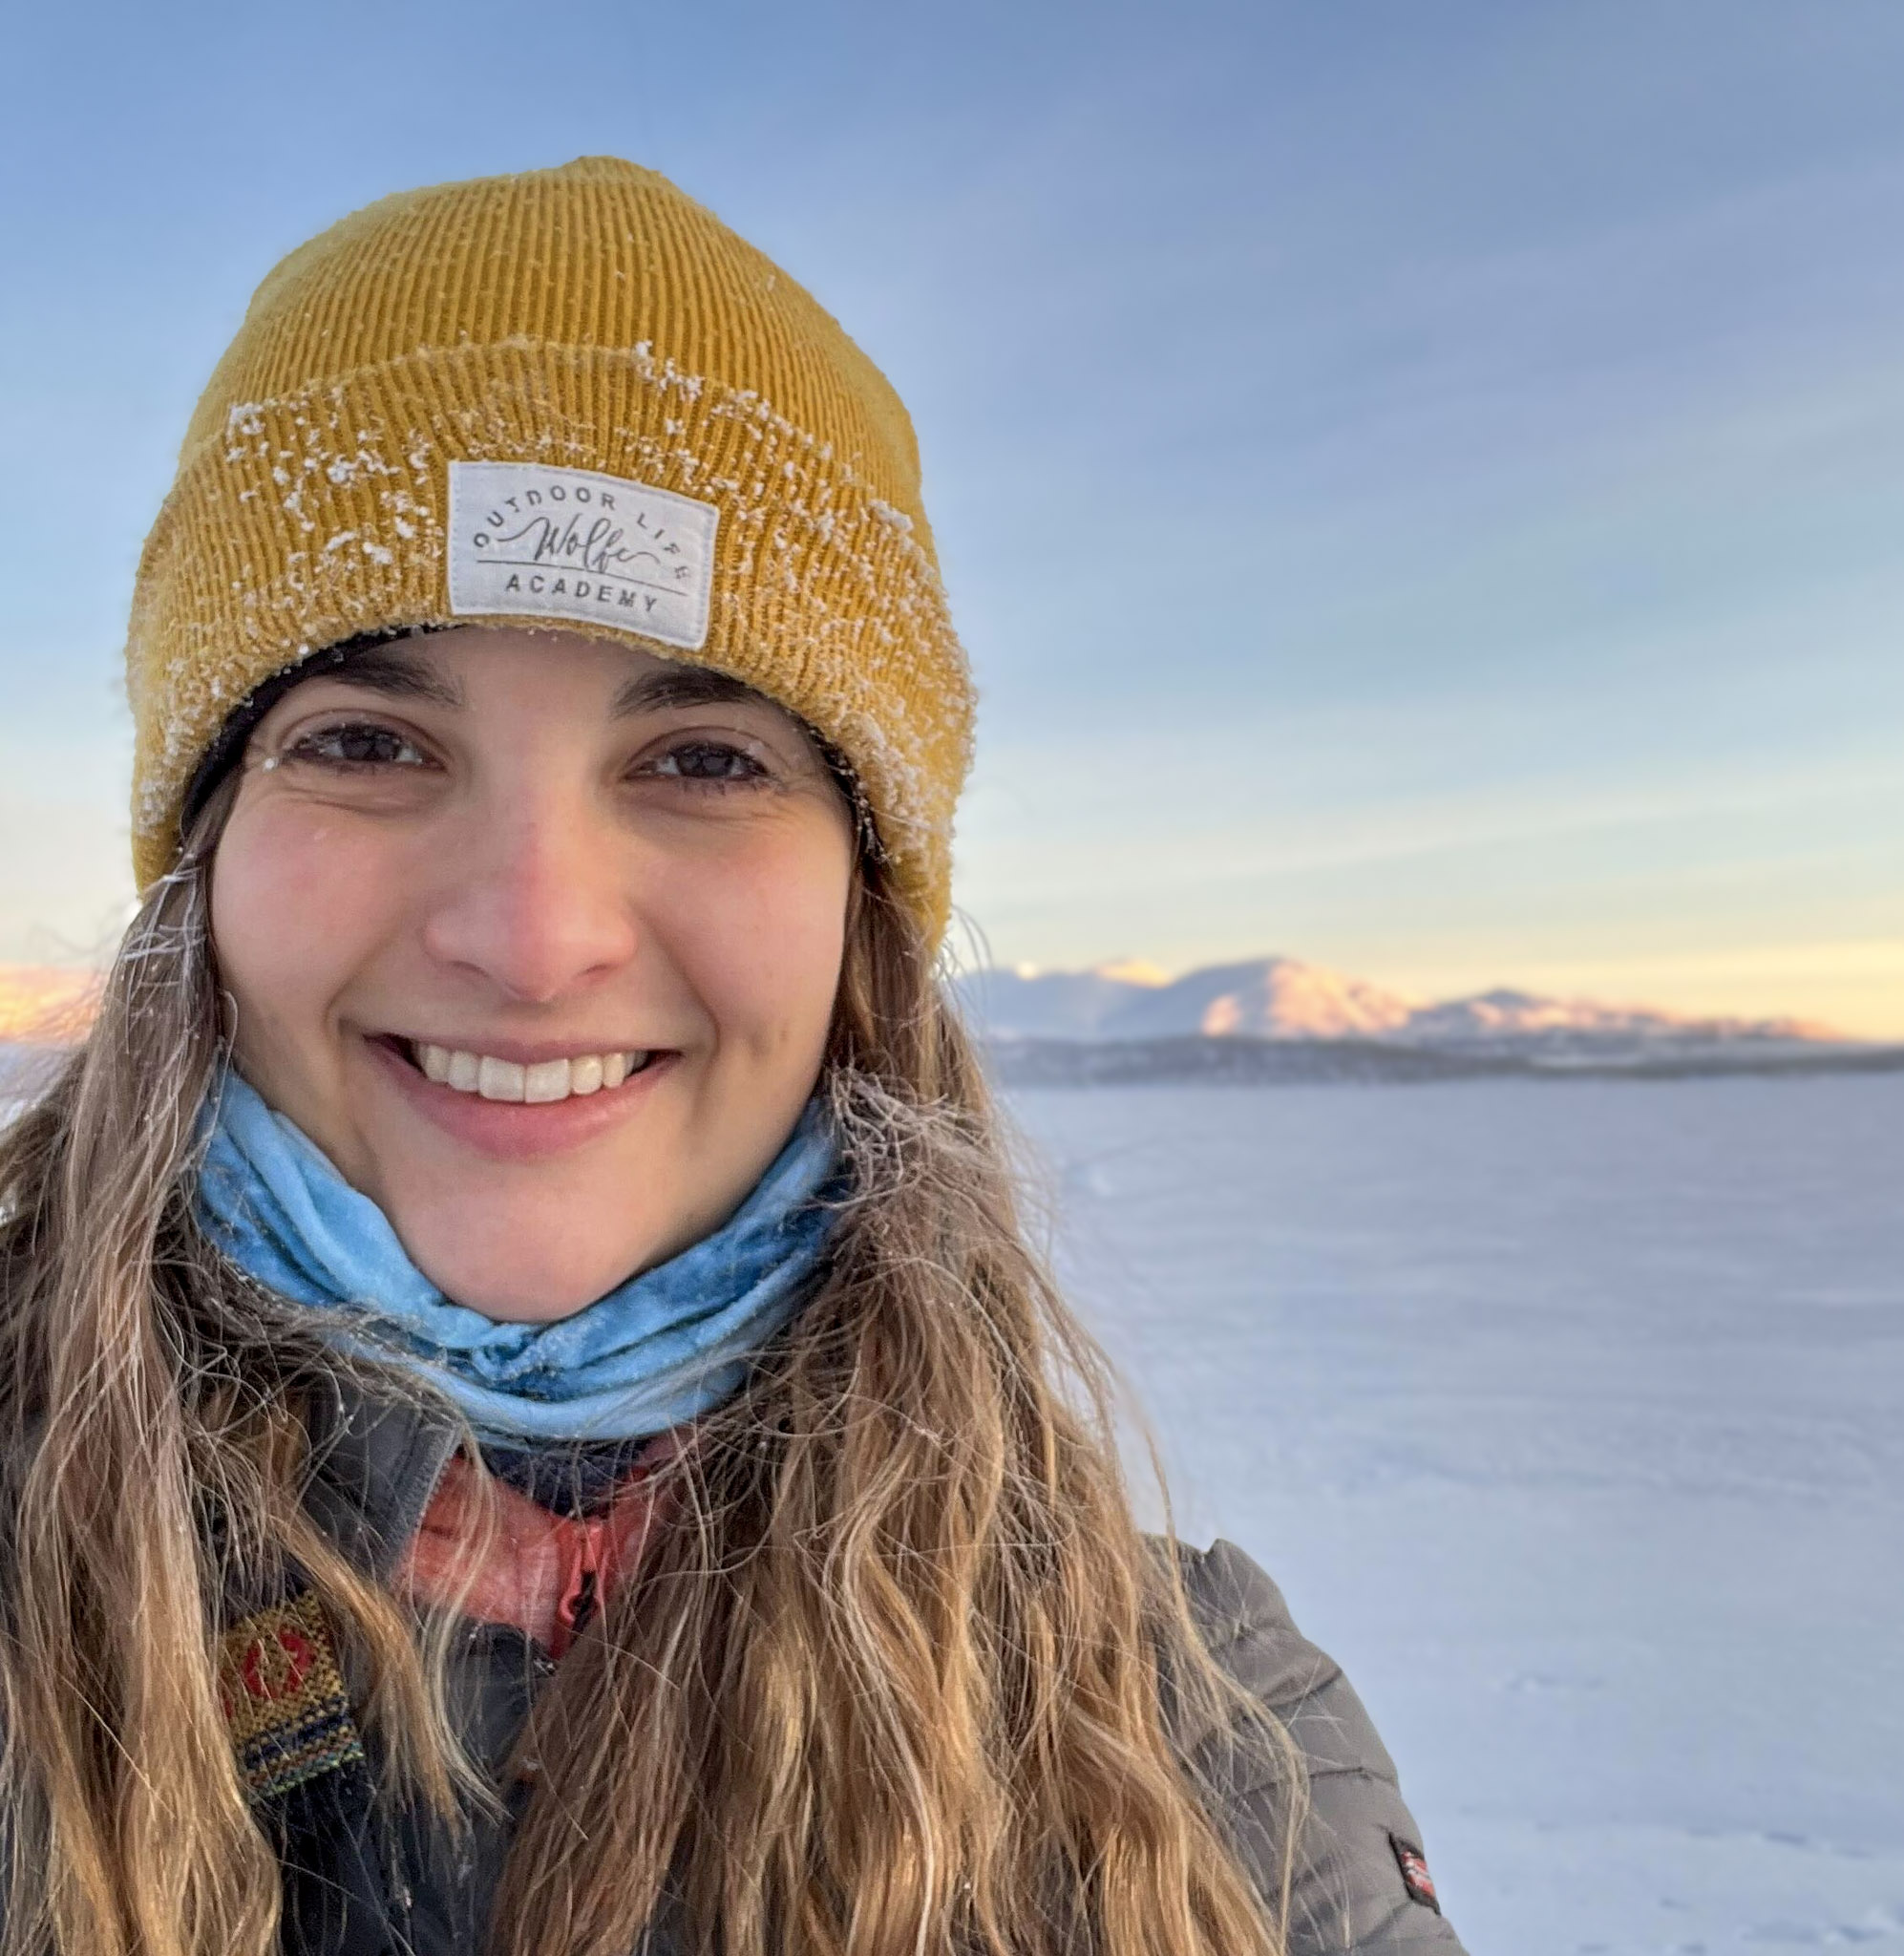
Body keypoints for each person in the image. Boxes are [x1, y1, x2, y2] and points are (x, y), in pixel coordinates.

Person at [0, 159, 1463, 1956]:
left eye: (702, 760)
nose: (533, 938)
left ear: (862, 910)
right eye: (370, 741)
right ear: (205, 863)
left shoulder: (1185, 1751)